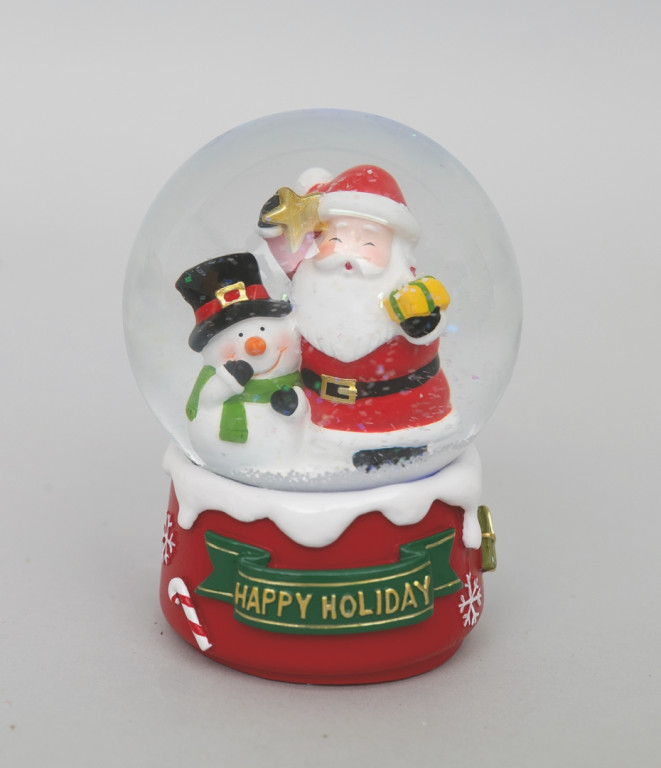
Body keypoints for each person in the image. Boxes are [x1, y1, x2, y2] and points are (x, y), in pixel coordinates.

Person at [260, 165, 453, 470]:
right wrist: (275, 221)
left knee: (390, 466)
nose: (347, 255)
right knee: (322, 462)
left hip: (399, 415)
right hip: (319, 410)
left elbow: (426, 328)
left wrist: (421, 324)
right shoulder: (310, 281)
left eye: (369, 243)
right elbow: (284, 248)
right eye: (336, 240)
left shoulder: (406, 291)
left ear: (396, 250)